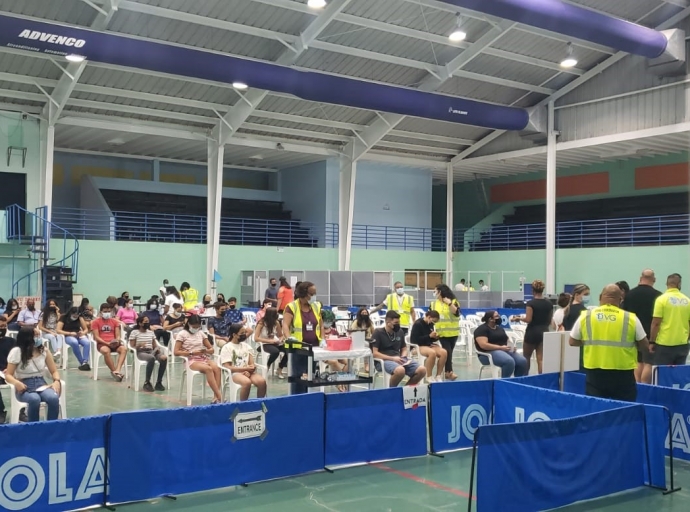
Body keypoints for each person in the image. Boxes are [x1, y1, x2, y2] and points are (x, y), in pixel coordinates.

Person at [569, 285, 649, 401]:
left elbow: (572, 341)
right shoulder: (630, 318)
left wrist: (588, 342)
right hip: (623, 373)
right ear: (620, 299)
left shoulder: (586, 316)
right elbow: (645, 346)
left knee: (597, 407)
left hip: (595, 372)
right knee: (623, 408)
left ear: (600, 297)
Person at [4, 327, 62, 422]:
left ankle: (51, 427)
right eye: (36, 335)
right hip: (23, 385)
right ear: (27, 337)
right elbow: (8, 375)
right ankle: (33, 427)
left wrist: (56, 381)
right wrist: (16, 383)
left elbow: (54, 371)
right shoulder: (16, 352)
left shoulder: (44, 351)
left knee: (53, 398)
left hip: (41, 383)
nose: (38, 338)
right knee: (34, 399)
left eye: (39, 335)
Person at [281, 281, 322, 394]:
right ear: (304, 294)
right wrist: (289, 337)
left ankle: (307, 398)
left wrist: (322, 339)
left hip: (313, 348)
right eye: (312, 294)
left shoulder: (316, 306)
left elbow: (321, 324)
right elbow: (285, 325)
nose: (314, 296)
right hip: (298, 349)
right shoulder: (291, 307)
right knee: (298, 378)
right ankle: (296, 399)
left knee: (310, 377)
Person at [174, 314, 222, 404]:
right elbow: (176, 352)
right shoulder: (182, 334)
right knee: (208, 369)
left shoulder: (201, 333)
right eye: (194, 327)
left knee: (217, 368)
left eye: (198, 327)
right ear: (189, 324)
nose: (196, 328)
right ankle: (219, 396)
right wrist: (191, 353)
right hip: (191, 359)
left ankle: (215, 397)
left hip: (203, 357)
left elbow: (211, 350)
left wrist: (205, 351)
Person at [624, 269, 662, 383]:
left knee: (638, 361)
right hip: (650, 334)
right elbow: (658, 320)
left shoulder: (629, 294)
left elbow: (624, 314)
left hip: (632, 333)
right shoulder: (658, 296)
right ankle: (645, 386)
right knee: (648, 363)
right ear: (654, 279)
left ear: (640, 278)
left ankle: (637, 385)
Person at [371, 311, 426, 387]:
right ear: (388, 322)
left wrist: (403, 356)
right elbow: (375, 354)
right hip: (383, 361)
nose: (398, 325)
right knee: (400, 370)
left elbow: (403, 348)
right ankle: (392, 391)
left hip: (399, 359)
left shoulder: (400, 332)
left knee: (422, 370)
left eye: (399, 322)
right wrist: (393, 358)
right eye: (396, 323)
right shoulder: (378, 332)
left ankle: (405, 390)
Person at [512, 280, 552, 374]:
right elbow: (550, 320)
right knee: (541, 359)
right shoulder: (549, 303)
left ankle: (526, 377)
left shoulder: (531, 303)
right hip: (544, 332)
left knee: (526, 357)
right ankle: (542, 378)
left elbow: (528, 319)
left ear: (533, 291)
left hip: (532, 333)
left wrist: (519, 318)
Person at [650, 273, 690, 366]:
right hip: (682, 344)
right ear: (679, 284)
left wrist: (652, 341)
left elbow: (656, 323)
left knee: (663, 371)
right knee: (679, 372)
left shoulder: (661, 300)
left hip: (664, 344)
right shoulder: (687, 301)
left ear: (667, 284)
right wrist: (687, 338)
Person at [220, 323, 267, 401]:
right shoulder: (227, 347)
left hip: (248, 372)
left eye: (245, 332)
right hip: (234, 374)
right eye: (242, 333)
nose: (244, 335)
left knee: (262, 382)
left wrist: (250, 369)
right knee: (246, 382)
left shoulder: (247, 346)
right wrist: (244, 370)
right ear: (234, 335)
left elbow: (252, 364)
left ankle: (260, 404)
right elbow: (228, 367)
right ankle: (243, 405)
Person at [474, 311, 528, 378]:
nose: (499, 318)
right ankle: (505, 381)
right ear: (490, 319)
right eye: (497, 316)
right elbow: (483, 345)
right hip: (487, 354)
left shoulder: (500, 329)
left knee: (522, 361)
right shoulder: (481, 329)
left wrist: (511, 347)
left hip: (504, 351)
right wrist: (500, 348)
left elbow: (507, 339)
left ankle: (517, 380)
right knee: (509, 361)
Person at [430, 284, 461, 381]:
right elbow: (430, 317)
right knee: (447, 351)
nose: (434, 292)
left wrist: (450, 303)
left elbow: (456, 313)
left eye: (435, 291)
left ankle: (447, 372)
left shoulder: (454, 301)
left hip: (453, 332)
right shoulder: (433, 304)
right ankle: (449, 372)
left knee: (450, 352)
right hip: (441, 333)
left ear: (440, 291)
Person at [129, 315, 168, 392]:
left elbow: (154, 345)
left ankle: (159, 382)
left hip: (151, 351)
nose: (148, 323)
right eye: (145, 322)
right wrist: (139, 345)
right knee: (151, 358)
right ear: (140, 323)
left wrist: (157, 349)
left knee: (164, 358)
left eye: (148, 322)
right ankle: (147, 382)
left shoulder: (151, 332)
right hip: (141, 352)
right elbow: (132, 347)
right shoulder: (134, 332)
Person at [91, 303, 127, 382]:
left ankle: (117, 370)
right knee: (106, 351)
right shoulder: (95, 322)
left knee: (124, 349)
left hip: (114, 343)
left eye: (109, 311)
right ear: (101, 312)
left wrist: (117, 340)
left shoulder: (114, 322)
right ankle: (114, 371)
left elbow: (117, 335)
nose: (107, 313)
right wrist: (107, 343)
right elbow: (96, 337)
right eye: (105, 311)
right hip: (102, 343)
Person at [410, 309, 447, 382]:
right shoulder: (418, 324)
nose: (434, 323)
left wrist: (435, 337)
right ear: (429, 317)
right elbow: (415, 340)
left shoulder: (430, 324)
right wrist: (429, 336)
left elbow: (430, 338)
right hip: (417, 346)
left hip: (428, 344)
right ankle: (428, 376)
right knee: (432, 353)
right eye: (433, 321)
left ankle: (438, 375)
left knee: (444, 352)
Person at [254, 307, 286, 378]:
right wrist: (270, 341)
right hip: (263, 344)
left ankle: (280, 368)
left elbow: (281, 335)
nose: (277, 315)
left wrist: (280, 340)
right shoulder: (261, 323)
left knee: (289, 350)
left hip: (275, 343)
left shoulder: (276, 323)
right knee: (275, 352)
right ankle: (268, 365)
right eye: (276, 314)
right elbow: (256, 338)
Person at [0, 316, 17, 424]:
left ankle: (21, 411)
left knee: (21, 380)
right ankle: (0, 412)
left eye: (4, 326)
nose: (2, 329)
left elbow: (18, 358)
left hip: (10, 372)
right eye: (0, 326)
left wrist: (10, 369)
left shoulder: (12, 342)